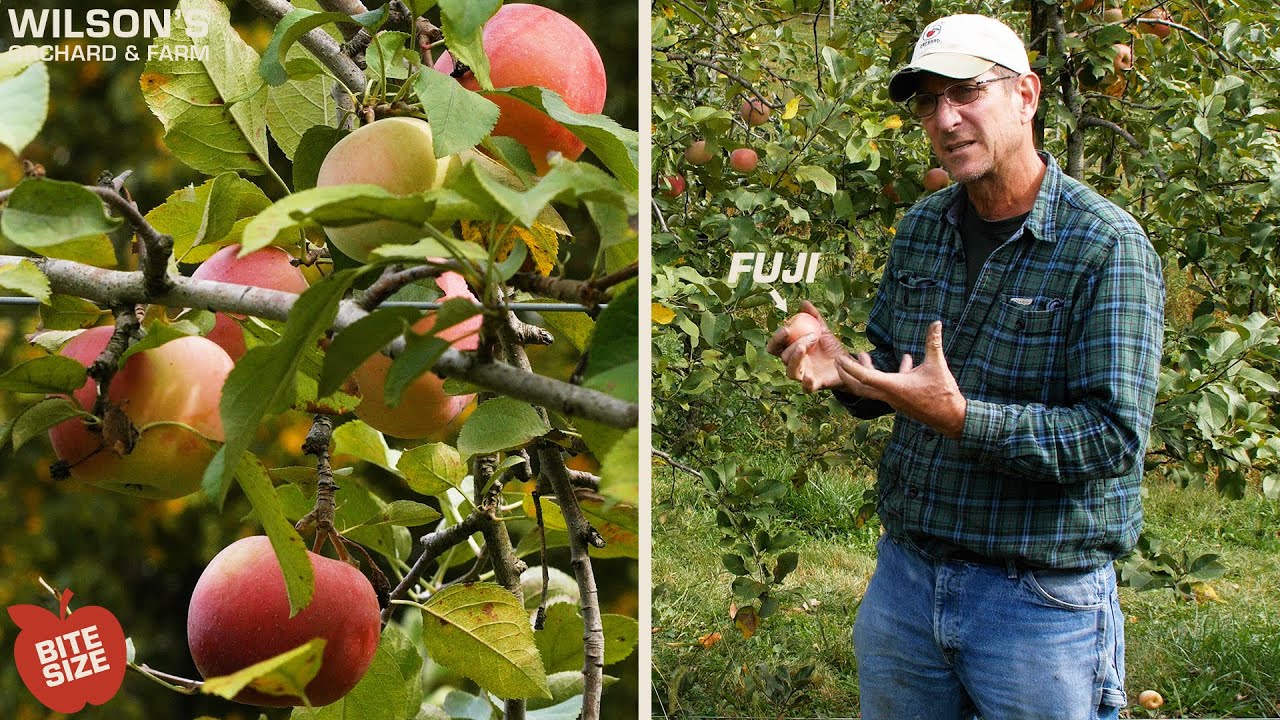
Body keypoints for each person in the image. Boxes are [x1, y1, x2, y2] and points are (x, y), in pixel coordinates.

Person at [767, 13, 1165, 720]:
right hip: (909, 582)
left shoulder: (1106, 247)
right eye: (928, 101)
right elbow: (896, 375)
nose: (945, 119)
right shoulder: (925, 226)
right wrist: (842, 366)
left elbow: (1112, 438)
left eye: (966, 93)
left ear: (1027, 95)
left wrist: (961, 418)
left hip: (1039, 599)